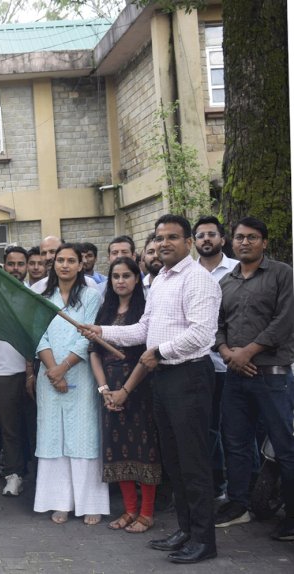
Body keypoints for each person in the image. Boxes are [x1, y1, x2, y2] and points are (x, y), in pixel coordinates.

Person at [81, 214, 221, 564]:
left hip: (189, 376)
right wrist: (101, 331)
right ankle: (186, 530)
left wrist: (160, 352)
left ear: (188, 242)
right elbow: (143, 328)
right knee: (173, 461)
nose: (164, 244)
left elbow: (202, 334)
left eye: (173, 237)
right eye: (159, 238)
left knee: (193, 462)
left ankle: (204, 540)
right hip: (163, 378)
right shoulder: (157, 281)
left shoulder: (198, 280)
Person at [214, 217, 294, 542]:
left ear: (264, 242)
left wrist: (248, 351)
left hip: (272, 376)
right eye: (239, 237)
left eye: (252, 237)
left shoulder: (282, 274)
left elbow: (285, 320)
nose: (244, 242)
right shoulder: (225, 283)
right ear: (231, 242)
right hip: (236, 376)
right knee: (234, 443)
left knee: (285, 448)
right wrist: (227, 352)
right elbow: (217, 325)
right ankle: (238, 504)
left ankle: (291, 516)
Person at [32, 243, 108, 525]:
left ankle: (90, 503)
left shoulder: (91, 296)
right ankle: (58, 501)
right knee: (53, 437)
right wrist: (52, 370)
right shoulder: (41, 296)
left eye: (71, 260)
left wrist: (64, 368)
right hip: (48, 376)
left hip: (81, 373)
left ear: (80, 265)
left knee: (83, 436)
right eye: (60, 260)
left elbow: (88, 335)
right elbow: (38, 334)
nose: (64, 265)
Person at [90, 257, 161, 533]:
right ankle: (130, 509)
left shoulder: (144, 314)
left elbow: (147, 357)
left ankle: (146, 513)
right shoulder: (105, 314)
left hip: (138, 389)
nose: (120, 281)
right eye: (115, 276)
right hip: (109, 391)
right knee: (117, 449)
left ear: (136, 279)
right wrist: (105, 390)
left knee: (144, 450)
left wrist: (125, 391)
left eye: (126, 276)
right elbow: (93, 353)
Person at [193, 215, 238, 500]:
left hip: (234, 364)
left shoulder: (236, 270)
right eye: (200, 235)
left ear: (222, 239)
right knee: (206, 430)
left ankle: (241, 491)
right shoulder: (188, 273)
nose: (206, 239)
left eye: (211, 234)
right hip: (199, 366)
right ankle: (215, 486)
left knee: (234, 430)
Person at [0, 246, 37, 496]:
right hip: (3, 372)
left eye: (21, 264)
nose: (16, 269)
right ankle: (13, 475)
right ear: (4, 266)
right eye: (12, 264)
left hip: (33, 373)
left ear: (27, 266)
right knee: (9, 429)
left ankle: (37, 475)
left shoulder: (36, 296)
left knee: (34, 426)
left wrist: (31, 370)